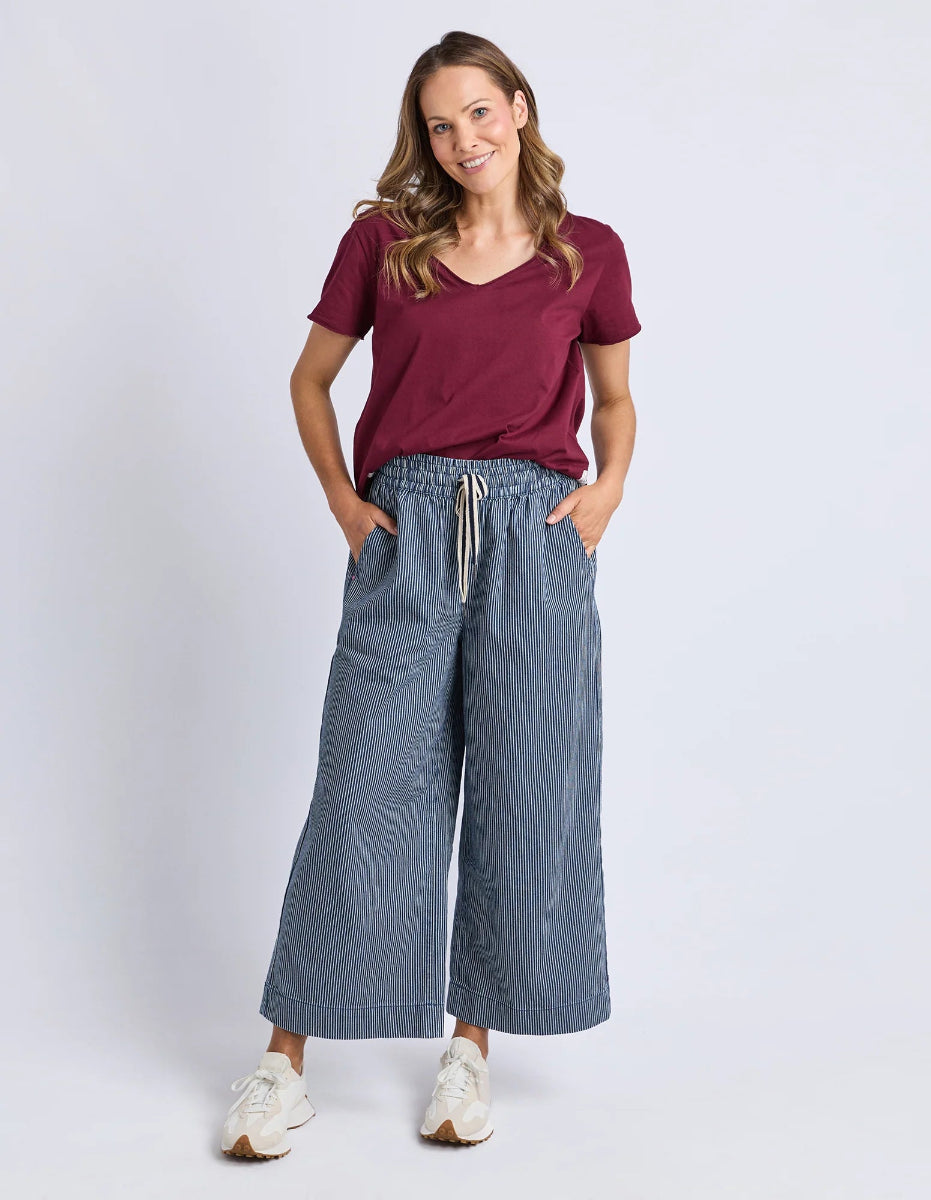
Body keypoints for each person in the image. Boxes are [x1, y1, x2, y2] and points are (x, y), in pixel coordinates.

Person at [221, 29, 641, 1158]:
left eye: (479, 113)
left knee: (524, 783)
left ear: (518, 106)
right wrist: (342, 502)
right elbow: (312, 379)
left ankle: (470, 1049)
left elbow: (614, 401)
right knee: (364, 786)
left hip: (535, 534)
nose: (463, 140)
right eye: (439, 125)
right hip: (404, 528)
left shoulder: (587, 252)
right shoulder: (385, 243)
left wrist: (607, 493)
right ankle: (282, 1062)